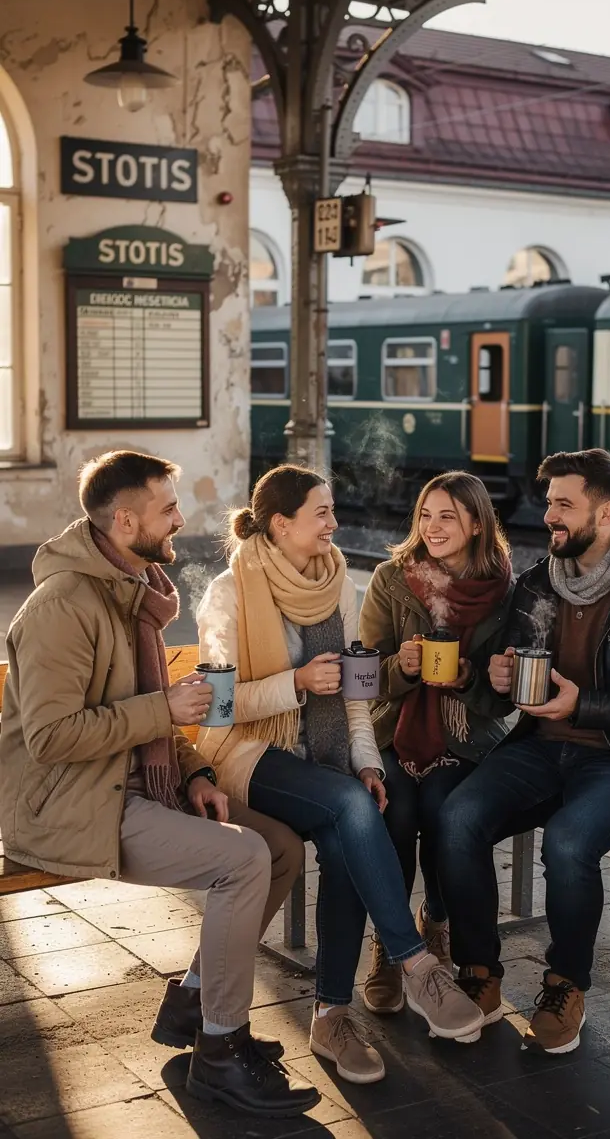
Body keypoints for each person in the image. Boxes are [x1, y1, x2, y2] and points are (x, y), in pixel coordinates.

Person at [0, 451, 318, 1118]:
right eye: (167, 508)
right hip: (70, 801)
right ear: (124, 520)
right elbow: (53, 739)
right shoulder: (63, 606)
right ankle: (222, 1053)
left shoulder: (132, 592)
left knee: (281, 845)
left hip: (130, 782)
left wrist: (196, 769)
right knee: (243, 858)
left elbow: (147, 709)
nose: (181, 518)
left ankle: (193, 1003)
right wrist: (164, 712)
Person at [195, 465, 484, 1086]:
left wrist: (369, 764)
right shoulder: (229, 592)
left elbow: (357, 699)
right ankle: (416, 964)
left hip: (326, 765)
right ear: (281, 523)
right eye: (321, 513)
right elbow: (215, 711)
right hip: (248, 755)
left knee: (351, 823)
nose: (334, 523)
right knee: (353, 811)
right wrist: (292, 685)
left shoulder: (339, 586)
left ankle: (331, 1017)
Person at [436, 448, 610, 1054]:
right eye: (549, 501)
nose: (549, 514)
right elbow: (508, 683)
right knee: (455, 816)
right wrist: (498, 676)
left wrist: (583, 706)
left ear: (606, 513)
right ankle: (479, 972)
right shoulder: (538, 584)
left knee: (567, 840)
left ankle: (565, 985)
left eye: (564, 504)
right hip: (543, 745)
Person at [358, 472, 513, 1018]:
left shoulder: (504, 590)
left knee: (448, 812)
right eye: (426, 514)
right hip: (396, 733)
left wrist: (470, 676)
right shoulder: (391, 578)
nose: (432, 527)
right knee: (395, 811)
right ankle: (393, 945)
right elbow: (363, 678)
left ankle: (437, 923)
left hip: (467, 737)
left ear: (476, 523)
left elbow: (507, 698)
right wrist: (399, 668)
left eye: (447, 516)